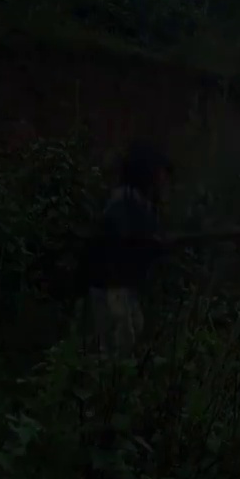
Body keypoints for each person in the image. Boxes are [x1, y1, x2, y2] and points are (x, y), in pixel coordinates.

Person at [83, 140, 173, 354]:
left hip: (122, 285)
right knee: (120, 343)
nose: (164, 179)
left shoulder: (139, 202)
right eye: (159, 173)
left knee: (132, 331)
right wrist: (151, 245)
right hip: (111, 286)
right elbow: (121, 241)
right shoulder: (124, 202)